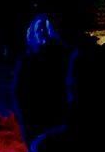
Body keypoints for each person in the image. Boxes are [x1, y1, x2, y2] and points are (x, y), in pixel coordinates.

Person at [15, 14, 77, 144]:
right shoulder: (27, 62)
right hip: (37, 121)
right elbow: (20, 94)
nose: (43, 32)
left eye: (46, 28)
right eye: (39, 29)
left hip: (62, 118)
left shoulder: (65, 57)